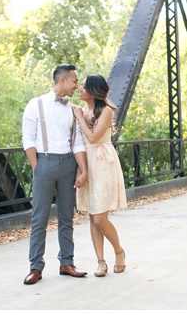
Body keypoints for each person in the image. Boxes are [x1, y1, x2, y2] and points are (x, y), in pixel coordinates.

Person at [21, 64, 89, 285]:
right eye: (75, 81)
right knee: (39, 217)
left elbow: (78, 142)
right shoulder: (36, 104)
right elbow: (28, 139)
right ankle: (35, 267)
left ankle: (66, 262)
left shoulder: (74, 109)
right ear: (62, 80)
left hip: (68, 163)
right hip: (44, 161)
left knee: (66, 217)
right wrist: (37, 167)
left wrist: (83, 169)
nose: (76, 86)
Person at [72, 74, 128, 277]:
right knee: (92, 213)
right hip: (86, 163)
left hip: (103, 163)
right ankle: (100, 262)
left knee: (99, 218)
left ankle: (119, 251)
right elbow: (78, 142)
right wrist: (80, 169)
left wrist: (79, 118)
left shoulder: (106, 111)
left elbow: (94, 138)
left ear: (94, 91)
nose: (80, 89)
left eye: (84, 86)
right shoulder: (82, 111)